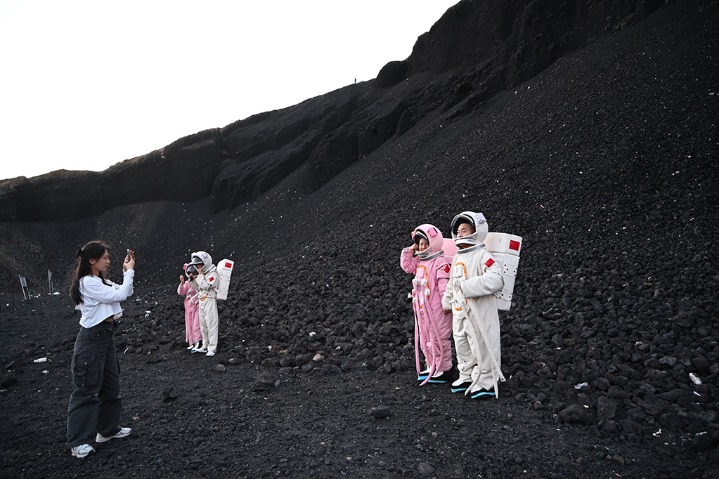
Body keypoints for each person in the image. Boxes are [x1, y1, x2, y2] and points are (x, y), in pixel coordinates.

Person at [66, 241, 135, 458]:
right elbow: (120, 295)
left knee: (110, 385)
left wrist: (127, 272)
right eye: (105, 257)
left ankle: (107, 430)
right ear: (92, 261)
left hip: (105, 337)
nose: (108, 260)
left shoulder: (99, 281)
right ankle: (78, 442)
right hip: (92, 339)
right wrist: (129, 273)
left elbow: (127, 291)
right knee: (86, 390)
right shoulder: (87, 282)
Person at [442, 211, 505, 399]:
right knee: (462, 343)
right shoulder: (458, 257)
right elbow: (452, 282)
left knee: (482, 344)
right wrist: (447, 301)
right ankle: (467, 375)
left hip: (479, 310)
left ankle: (486, 380)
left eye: (464, 230)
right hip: (460, 310)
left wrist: (468, 287)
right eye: (458, 231)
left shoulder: (482, 255)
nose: (460, 234)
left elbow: (496, 278)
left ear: (476, 230)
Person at [400, 224, 453, 385]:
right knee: (425, 338)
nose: (422, 247)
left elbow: (444, 284)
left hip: (437, 308)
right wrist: (411, 248)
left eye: (425, 243)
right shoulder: (420, 262)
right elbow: (406, 266)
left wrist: (446, 303)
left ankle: (445, 368)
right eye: (420, 244)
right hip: (423, 308)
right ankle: (431, 365)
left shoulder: (439, 262)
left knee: (439, 337)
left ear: (434, 243)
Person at [188, 251, 221, 357]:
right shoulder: (202, 275)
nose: (198, 267)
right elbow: (198, 288)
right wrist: (192, 280)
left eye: (199, 265)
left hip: (210, 299)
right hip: (202, 300)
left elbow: (207, 286)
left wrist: (201, 276)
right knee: (203, 325)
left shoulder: (213, 273)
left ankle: (212, 347)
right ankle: (205, 345)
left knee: (211, 324)